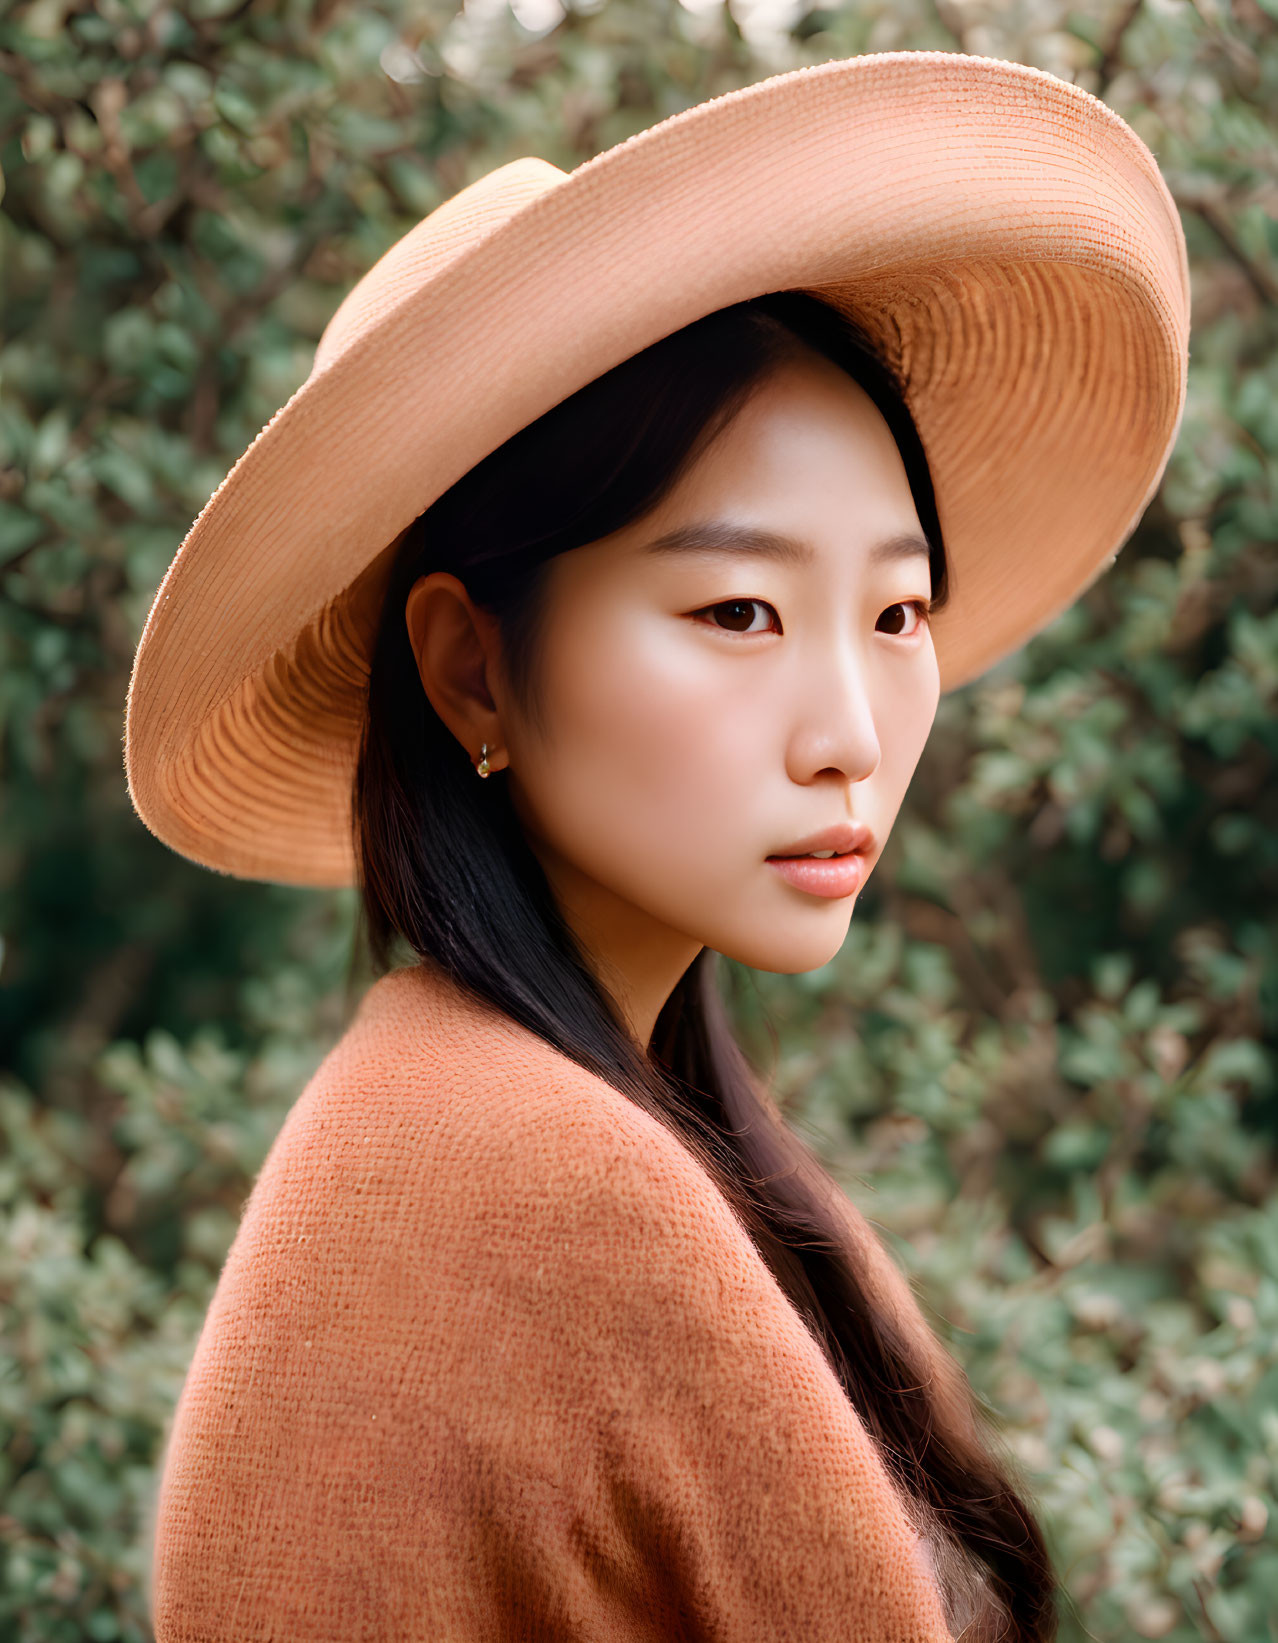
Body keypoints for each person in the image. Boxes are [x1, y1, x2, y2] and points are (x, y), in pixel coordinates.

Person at [126, 49, 1190, 1643]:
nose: (849, 728)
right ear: (471, 663)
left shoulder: (598, 1121)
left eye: (897, 611)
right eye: (738, 610)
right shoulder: (527, 1169)